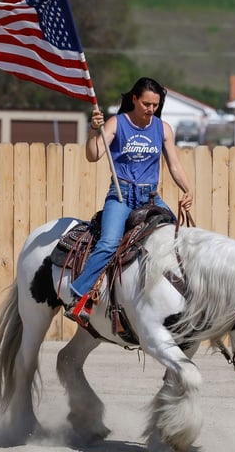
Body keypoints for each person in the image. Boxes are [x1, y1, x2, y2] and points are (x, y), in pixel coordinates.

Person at [65, 77, 194, 326]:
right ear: (134, 99)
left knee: (180, 241)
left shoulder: (163, 128)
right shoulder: (117, 123)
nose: (150, 109)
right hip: (121, 195)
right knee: (109, 243)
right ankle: (78, 295)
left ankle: (185, 302)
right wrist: (94, 130)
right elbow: (93, 156)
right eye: (146, 103)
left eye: (155, 105)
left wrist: (187, 189)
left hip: (150, 196)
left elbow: (174, 165)